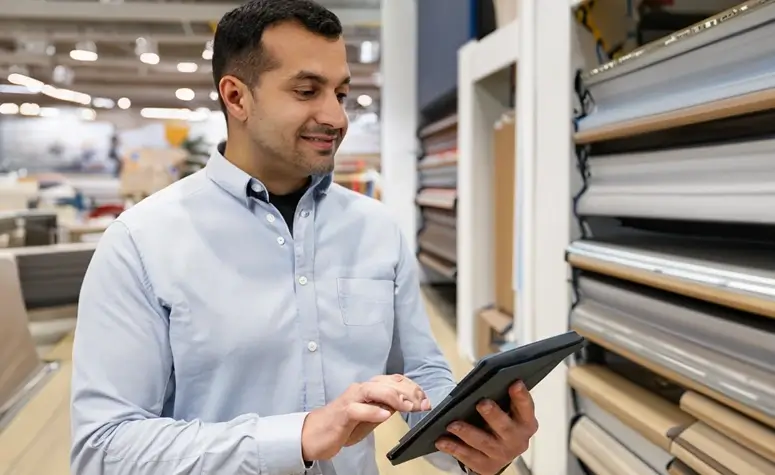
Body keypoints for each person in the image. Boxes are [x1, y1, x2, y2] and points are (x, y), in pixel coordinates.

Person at [69, 1, 538, 474]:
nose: (335, 117)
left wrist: (475, 447)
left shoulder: (377, 229)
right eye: (307, 90)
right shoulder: (141, 243)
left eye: (341, 93)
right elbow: (104, 448)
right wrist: (298, 436)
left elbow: (421, 374)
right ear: (236, 97)